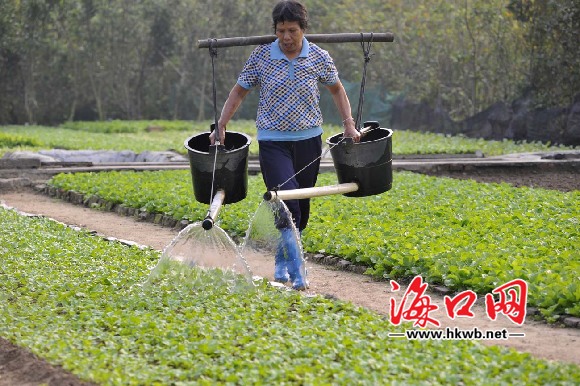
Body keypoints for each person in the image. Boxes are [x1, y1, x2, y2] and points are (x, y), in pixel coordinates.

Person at [210, 0, 360, 290]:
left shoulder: (318, 56)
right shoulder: (262, 56)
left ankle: (282, 259)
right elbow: (239, 91)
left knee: (301, 206)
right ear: (275, 31)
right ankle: (298, 271)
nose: (286, 37)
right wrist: (221, 124)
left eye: (292, 30)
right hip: (272, 141)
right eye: (281, 31)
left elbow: (337, 90)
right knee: (287, 200)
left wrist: (349, 123)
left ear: (303, 29)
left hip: (308, 140)